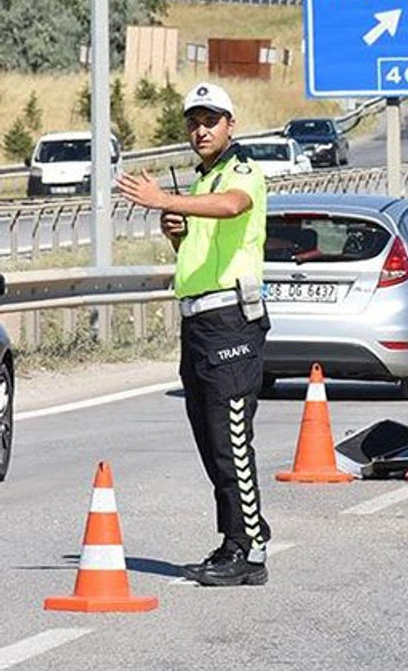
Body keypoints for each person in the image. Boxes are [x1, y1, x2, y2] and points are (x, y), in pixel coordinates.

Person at [117, 82, 272, 587]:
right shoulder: (200, 182)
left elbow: (233, 207)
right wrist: (174, 229)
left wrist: (164, 198)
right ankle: (234, 539)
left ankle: (250, 550)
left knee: (231, 439)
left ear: (231, 125)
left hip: (232, 320)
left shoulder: (240, 172)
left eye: (211, 120)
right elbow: (199, 244)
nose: (200, 129)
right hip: (199, 323)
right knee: (210, 441)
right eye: (193, 121)